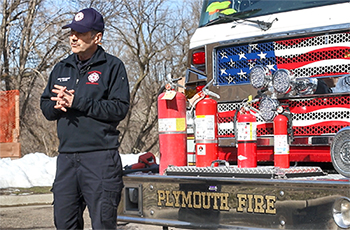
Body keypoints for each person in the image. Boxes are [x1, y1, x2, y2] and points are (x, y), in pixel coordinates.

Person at [40, 8, 130, 229]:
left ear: (97, 37)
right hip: (67, 160)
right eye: (72, 32)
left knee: (102, 223)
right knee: (64, 222)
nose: (73, 37)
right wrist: (56, 105)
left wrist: (77, 102)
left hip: (100, 159)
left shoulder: (112, 66)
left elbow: (119, 108)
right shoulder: (61, 67)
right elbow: (45, 106)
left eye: (80, 33)